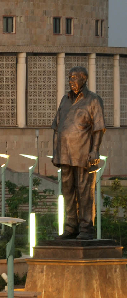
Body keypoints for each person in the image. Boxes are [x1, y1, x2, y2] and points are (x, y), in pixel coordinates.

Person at [52, 66, 105, 240]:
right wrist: (55, 152)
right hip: (65, 154)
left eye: (74, 77)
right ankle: (70, 227)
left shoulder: (93, 100)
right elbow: (57, 127)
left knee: (84, 192)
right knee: (67, 191)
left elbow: (98, 128)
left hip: (83, 154)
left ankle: (86, 229)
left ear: (84, 79)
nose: (71, 81)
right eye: (69, 77)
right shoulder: (64, 100)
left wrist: (95, 151)